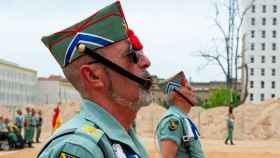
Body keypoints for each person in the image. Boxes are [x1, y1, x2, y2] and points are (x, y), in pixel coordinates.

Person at [38, 1, 153, 158]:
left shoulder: (121, 138)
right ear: (93, 76)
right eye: (132, 55)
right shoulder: (81, 149)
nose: (146, 62)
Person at [156, 71, 205, 158]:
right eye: (189, 89)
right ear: (178, 96)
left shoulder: (182, 117)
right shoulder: (173, 120)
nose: (193, 92)